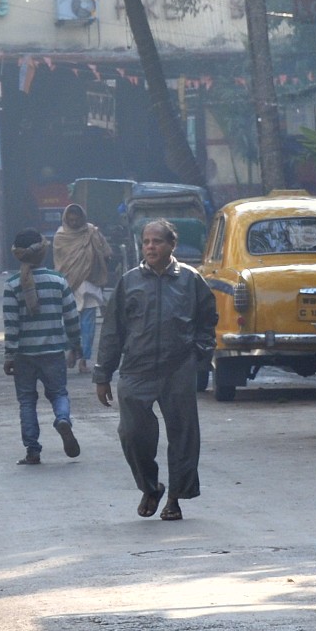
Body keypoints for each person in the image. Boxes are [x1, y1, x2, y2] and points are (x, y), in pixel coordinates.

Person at [93, 219, 217, 521]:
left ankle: (175, 497)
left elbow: (208, 319)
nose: (150, 247)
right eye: (146, 241)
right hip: (137, 368)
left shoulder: (190, 279)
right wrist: (103, 374)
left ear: (171, 245)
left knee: (183, 435)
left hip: (178, 368)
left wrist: (200, 354)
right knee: (132, 434)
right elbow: (113, 330)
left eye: (157, 241)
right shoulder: (129, 281)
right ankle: (150, 486)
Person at [2, 228, 80, 467]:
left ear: (17, 255)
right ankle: (62, 419)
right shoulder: (58, 281)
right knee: (59, 394)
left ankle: (33, 451)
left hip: (24, 355)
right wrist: (75, 346)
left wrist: (9, 355)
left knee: (27, 401)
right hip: (54, 352)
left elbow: (11, 324)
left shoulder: (12, 285)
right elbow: (72, 317)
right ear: (43, 252)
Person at [52, 203, 114, 372]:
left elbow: (107, 253)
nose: (73, 222)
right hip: (70, 286)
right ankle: (73, 351)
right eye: (70, 219)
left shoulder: (92, 232)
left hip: (89, 286)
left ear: (82, 218)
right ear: (66, 219)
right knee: (70, 324)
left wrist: (97, 265)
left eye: (76, 219)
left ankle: (84, 360)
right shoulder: (60, 236)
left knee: (88, 327)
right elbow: (60, 262)